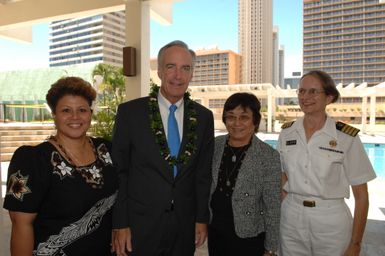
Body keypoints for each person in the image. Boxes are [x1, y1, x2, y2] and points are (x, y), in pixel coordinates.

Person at [111, 40, 214, 256]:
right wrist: (120, 223)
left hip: (184, 226)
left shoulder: (204, 117)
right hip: (140, 226)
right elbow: (120, 173)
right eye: (171, 67)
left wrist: (201, 218)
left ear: (192, 73)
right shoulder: (131, 113)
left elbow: (203, 174)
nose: (178, 75)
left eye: (185, 68)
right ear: (159, 71)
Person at [3, 76, 118, 255]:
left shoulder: (107, 150)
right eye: (66, 110)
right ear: (54, 114)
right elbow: (21, 226)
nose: (75, 117)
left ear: (90, 113)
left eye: (82, 110)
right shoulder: (31, 160)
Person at [278, 70, 377, 256]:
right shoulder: (287, 133)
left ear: (329, 97)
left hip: (331, 220)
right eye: (301, 91)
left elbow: (361, 195)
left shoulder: (346, 138)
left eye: (313, 91)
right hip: (291, 218)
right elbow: (283, 179)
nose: (305, 97)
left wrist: (356, 243)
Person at [208, 93, 281, 256]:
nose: (236, 123)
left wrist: (271, 247)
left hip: (249, 234)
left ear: (255, 121)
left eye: (244, 117)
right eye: (231, 117)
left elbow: (273, 205)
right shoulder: (214, 145)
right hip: (216, 229)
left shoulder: (268, 156)